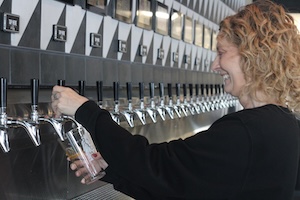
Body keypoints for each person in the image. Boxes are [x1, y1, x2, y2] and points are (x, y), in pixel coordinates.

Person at [51, 1, 300, 199]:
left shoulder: (245, 131)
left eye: (222, 53)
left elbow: (157, 164)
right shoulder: (283, 123)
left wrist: (84, 110)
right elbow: (181, 186)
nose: (215, 65)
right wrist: (114, 171)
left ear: (253, 57)